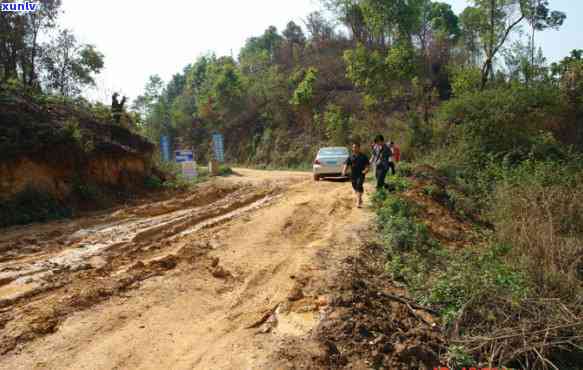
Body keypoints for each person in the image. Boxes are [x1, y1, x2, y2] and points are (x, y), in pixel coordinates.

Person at [342, 142, 370, 208]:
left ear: (359, 148)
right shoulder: (350, 157)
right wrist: (344, 171)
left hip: (361, 174)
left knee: (358, 185)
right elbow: (346, 164)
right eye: (353, 147)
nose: (354, 148)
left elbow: (368, 165)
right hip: (353, 175)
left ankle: (358, 202)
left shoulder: (363, 156)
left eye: (356, 147)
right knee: (355, 186)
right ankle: (360, 198)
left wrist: (366, 170)